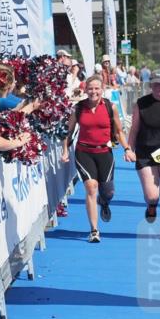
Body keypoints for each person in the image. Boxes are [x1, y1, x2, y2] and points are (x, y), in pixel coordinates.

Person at [61, 76, 128, 243]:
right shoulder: (78, 108)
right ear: (85, 90)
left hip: (105, 152)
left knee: (109, 191)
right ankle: (94, 230)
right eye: (90, 88)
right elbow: (68, 132)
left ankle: (104, 202)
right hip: (84, 152)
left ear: (102, 89)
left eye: (97, 88)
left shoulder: (109, 107)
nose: (93, 92)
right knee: (91, 187)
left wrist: (127, 149)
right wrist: (65, 151)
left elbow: (119, 131)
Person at [127, 70, 160, 241]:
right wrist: (129, 149)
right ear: (150, 85)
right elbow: (134, 129)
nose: (159, 87)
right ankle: (151, 206)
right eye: (155, 84)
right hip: (145, 152)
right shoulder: (141, 104)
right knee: (153, 195)